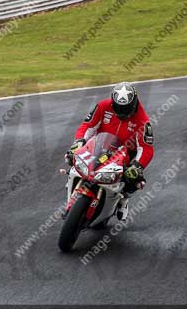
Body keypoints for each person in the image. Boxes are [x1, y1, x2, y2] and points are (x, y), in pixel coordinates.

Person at [66, 82, 154, 221]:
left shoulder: (143, 121)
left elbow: (146, 149)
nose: (122, 113)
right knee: (71, 156)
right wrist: (79, 142)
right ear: (113, 103)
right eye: (118, 108)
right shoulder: (103, 106)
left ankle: (123, 200)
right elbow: (88, 126)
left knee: (135, 180)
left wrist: (137, 166)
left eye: (126, 109)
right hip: (99, 145)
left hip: (124, 153)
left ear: (134, 103)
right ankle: (72, 187)